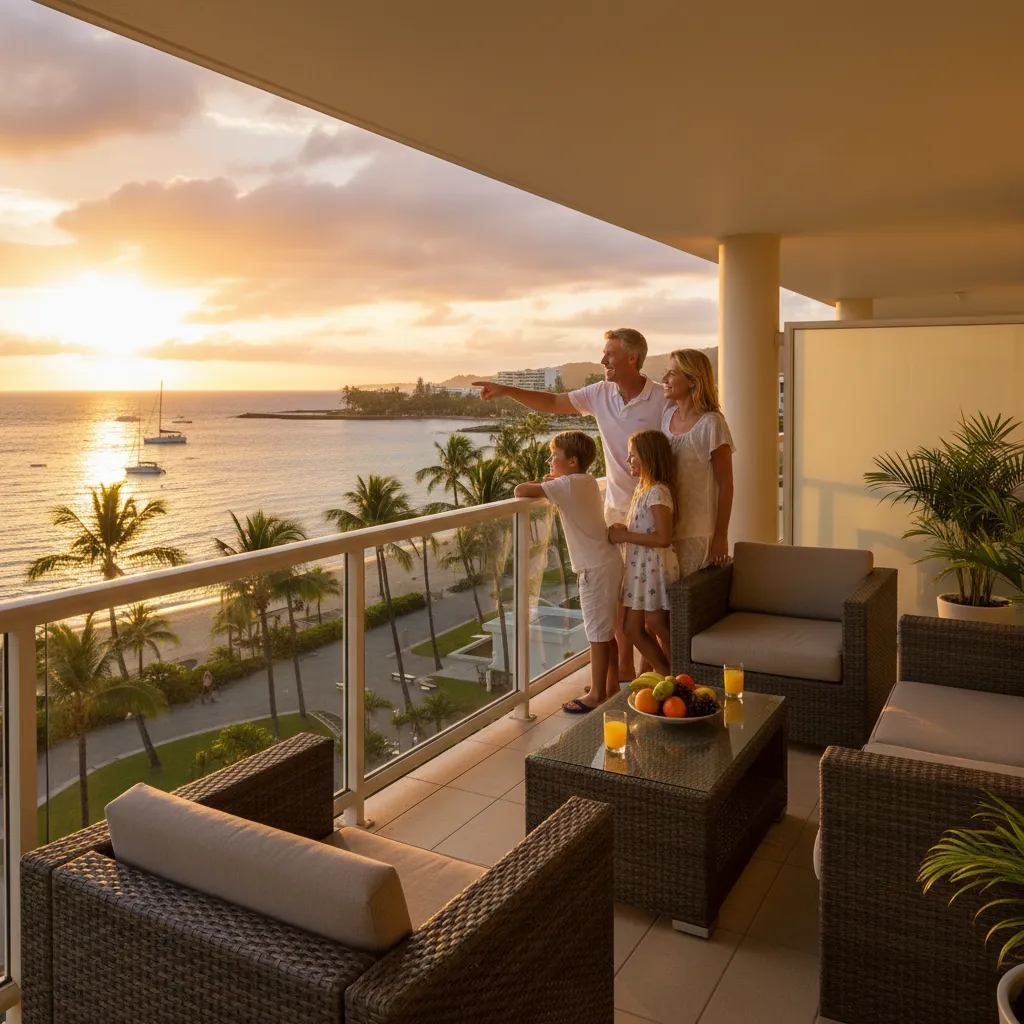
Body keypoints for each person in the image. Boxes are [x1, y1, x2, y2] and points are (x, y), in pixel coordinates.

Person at [475, 328, 670, 680]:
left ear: (632, 357)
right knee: (618, 601)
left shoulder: (661, 398)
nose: (603, 359)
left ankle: (656, 676)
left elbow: (676, 452)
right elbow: (552, 403)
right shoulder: (599, 393)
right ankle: (624, 672)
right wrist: (506, 390)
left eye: (610, 353)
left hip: (652, 510)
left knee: (648, 603)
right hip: (616, 510)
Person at [514, 430, 624, 713]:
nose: (550, 461)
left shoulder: (567, 484)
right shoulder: (585, 481)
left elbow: (520, 491)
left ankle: (597, 695)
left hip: (594, 568)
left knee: (597, 634)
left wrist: (548, 482)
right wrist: (555, 481)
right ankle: (611, 685)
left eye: (555, 456)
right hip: (608, 561)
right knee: (606, 631)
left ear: (572, 461)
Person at [608, 430, 680, 676]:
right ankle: (667, 673)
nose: (628, 460)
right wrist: (625, 529)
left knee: (657, 624)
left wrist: (624, 536)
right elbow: (646, 527)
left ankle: (681, 673)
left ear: (649, 457)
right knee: (631, 627)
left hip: (653, 567)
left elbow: (663, 537)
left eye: (633, 455)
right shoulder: (643, 489)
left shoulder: (658, 491)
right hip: (640, 568)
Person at [660, 349, 735, 575]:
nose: (664, 379)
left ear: (692, 381)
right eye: (665, 372)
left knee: (691, 594)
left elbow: (726, 484)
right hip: (668, 530)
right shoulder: (667, 417)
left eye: (671, 374)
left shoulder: (712, 424)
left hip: (698, 533)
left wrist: (721, 536)